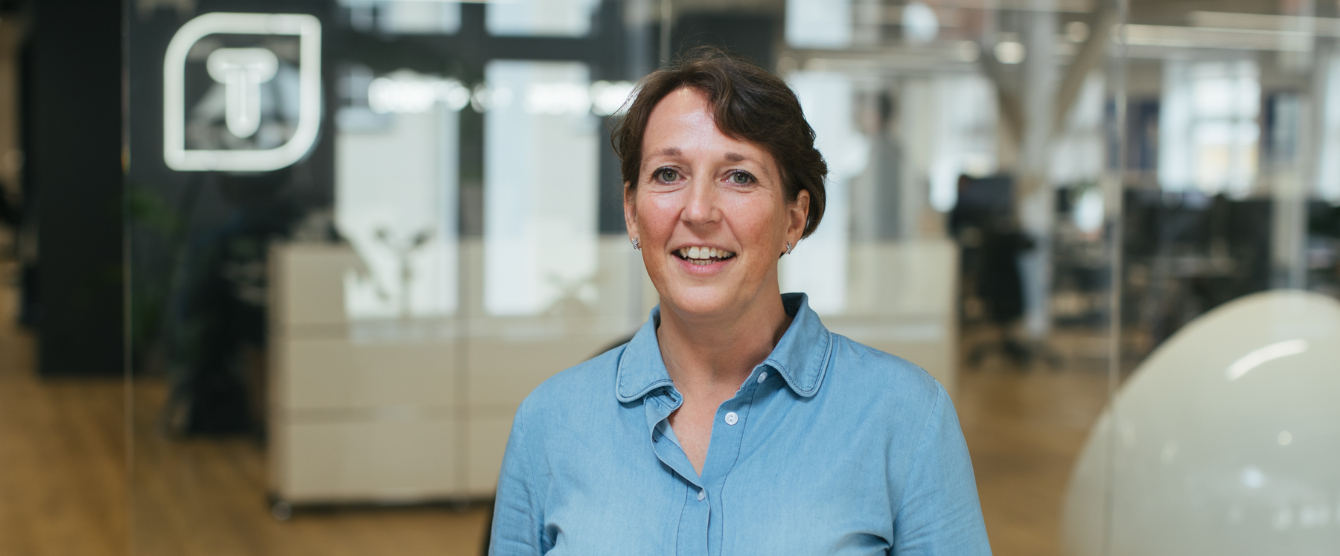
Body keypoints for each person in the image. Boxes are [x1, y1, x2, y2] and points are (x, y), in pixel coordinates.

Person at [489, 48, 990, 555]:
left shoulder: (904, 417)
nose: (700, 210)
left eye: (740, 177)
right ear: (632, 212)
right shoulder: (549, 422)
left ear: (794, 219)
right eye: (668, 174)